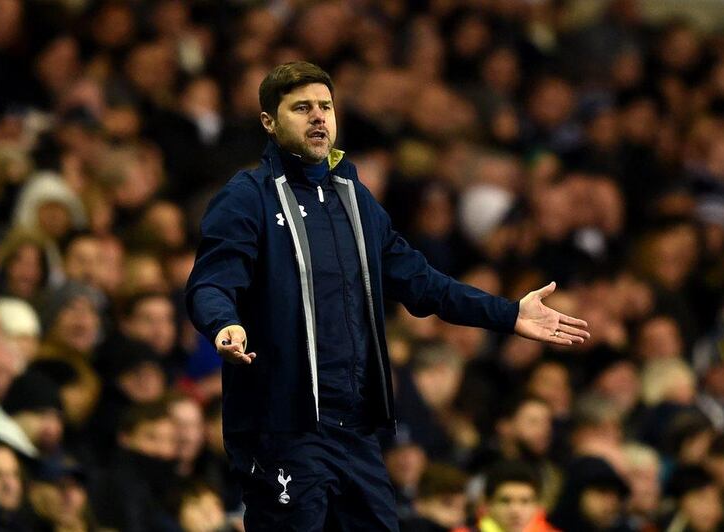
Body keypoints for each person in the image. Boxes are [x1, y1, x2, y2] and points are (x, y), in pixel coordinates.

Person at [185, 61, 590, 531]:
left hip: (355, 429)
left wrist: (507, 314)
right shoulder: (247, 196)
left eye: (326, 107)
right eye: (301, 108)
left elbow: (420, 282)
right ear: (269, 122)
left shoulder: (355, 198)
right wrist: (222, 324)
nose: (318, 117)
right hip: (282, 427)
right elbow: (212, 281)